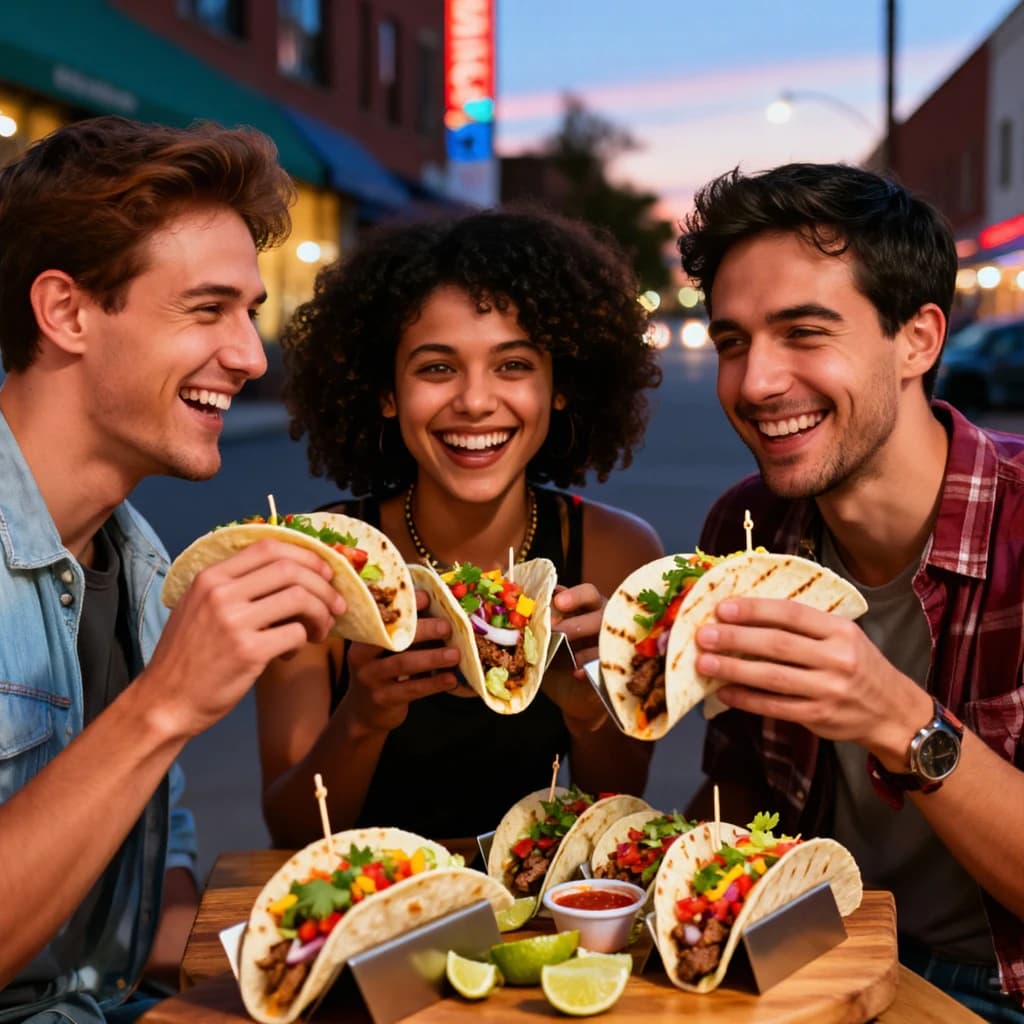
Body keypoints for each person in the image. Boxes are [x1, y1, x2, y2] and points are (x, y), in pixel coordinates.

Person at [0, 116, 346, 1023]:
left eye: (250, 312)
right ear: (66, 312)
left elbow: (146, 892)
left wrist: (306, 946)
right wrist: (168, 704)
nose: (249, 356)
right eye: (207, 310)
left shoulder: (142, 561)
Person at [679, 163, 1024, 1020]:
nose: (755, 383)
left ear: (919, 338)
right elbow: (743, 797)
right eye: (732, 342)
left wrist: (897, 719)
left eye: (804, 332)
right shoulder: (744, 530)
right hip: (813, 949)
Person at [256, 206, 664, 848]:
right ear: (386, 391)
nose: (475, 401)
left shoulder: (618, 551)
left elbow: (621, 824)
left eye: (513, 365)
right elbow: (291, 828)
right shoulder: (321, 561)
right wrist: (361, 719)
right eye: (437, 368)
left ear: (560, 386)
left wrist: (590, 715)